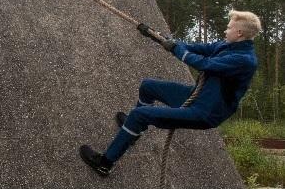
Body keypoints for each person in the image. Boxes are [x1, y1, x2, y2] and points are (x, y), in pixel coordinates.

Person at [79, 10, 261, 176]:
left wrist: (175, 49)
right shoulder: (226, 46)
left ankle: (105, 163)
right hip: (199, 97)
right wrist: (158, 38)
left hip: (204, 112)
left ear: (239, 33)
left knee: (139, 115)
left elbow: (203, 64)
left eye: (229, 28)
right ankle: (132, 131)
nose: (225, 31)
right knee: (147, 86)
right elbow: (193, 48)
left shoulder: (244, 60)